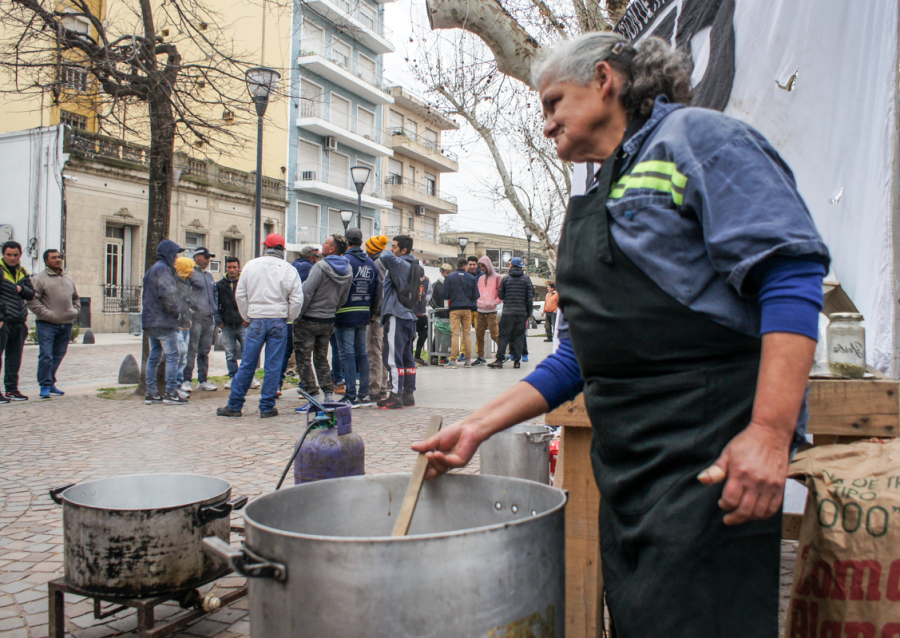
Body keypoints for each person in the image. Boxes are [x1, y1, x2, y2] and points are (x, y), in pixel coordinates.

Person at [413, 33, 830, 638]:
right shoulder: (602, 185)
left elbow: (790, 274)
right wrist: (477, 426)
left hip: (707, 454)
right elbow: (579, 354)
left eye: (555, 101)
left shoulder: (701, 141)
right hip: (630, 467)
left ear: (605, 79)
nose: (548, 121)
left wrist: (768, 433)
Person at [217, 233, 303, 418]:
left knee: (247, 363)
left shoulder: (251, 265)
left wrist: (247, 315)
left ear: (265, 247)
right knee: (273, 365)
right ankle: (266, 406)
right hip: (278, 320)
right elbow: (297, 299)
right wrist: (288, 317)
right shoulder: (288, 269)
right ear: (282, 250)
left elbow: (240, 294)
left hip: (256, 319)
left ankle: (234, 404)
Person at [294, 234, 352, 404]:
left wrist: (298, 315)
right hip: (328, 319)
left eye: (325, 243)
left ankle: (313, 394)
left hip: (309, 318)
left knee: (303, 358)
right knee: (321, 358)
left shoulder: (320, 267)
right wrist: (332, 310)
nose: (322, 245)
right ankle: (328, 393)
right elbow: (343, 297)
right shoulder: (348, 270)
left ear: (332, 249)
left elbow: (307, 292)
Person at [334, 228, 381, 408]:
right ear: (361, 243)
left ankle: (351, 395)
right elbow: (377, 291)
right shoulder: (371, 263)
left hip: (345, 312)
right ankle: (364, 394)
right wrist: (372, 312)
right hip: (364, 313)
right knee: (362, 354)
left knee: (347, 355)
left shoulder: (343, 261)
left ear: (347, 242)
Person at [142, 239, 189, 405]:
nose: (177, 258)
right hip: (164, 321)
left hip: (151, 321)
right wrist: (176, 312)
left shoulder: (152, 270)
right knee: (173, 356)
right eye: (175, 254)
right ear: (169, 254)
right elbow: (168, 295)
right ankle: (171, 393)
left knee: (154, 357)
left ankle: (152, 393)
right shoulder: (164, 270)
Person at [28, 249, 79, 399]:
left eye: (59, 257)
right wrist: (47, 314)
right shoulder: (39, 279)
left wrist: (74, 311)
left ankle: (50, 382)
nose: (58, 260)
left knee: (58, 354)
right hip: (47, 324)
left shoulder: (67, 279)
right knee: (46, 355)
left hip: (66, 324)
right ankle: (44, 384)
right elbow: (31, 300)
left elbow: (76, 298)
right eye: (53, 258)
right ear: (46, 261)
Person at [378, 235, 420, 409]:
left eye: (394, 246)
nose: (391, 249)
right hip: (409, 316)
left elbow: (385, 257)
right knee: (407, 357)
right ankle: (408, 393)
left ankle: (395, 395)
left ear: (403, 250)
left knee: (393, 358)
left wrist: (387, 251)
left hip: (397, 314)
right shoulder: (415, 266)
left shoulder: (400, 264)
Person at [215, 257, 259, 390]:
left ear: (239, 268)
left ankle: (250, 377)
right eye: (229, 267)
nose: (232, 270)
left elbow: (252, 300)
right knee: (230, 353)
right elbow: (216, 304)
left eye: (234, 267)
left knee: (248, 352)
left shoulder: (245, 283)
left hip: (243, 324)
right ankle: (233, 376)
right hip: (227, 325)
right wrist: (219, 321)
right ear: (226, 268)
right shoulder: (220, 285)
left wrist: (248, 319)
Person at [0, 241, 35, 401]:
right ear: (3, 255)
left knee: (14, 358)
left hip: (19, 321)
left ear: (20, 255)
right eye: (9, 255)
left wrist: (20, 289)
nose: (12, 258)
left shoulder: (23, 271)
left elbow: (31, 294)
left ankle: (12, 390)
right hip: (3, 321)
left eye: (15, 255)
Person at [183, 247, 218, 393]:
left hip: (208, 318)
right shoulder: (191, 274)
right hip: (195, 318)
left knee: (205, 350)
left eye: (209, 257)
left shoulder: (209, 276)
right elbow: (185, 294)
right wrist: (192, 310)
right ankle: (186, 379)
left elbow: (214, 294)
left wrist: (214, 308)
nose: (208, 260)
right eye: (205, 257)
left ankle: (203, 380)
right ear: (196, 257)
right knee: (192, 350)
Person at [489, 257, 533, 369]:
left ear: (511, 266)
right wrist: (528, 313)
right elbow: (530, 298)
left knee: (504, 336)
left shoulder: (506, 279)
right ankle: (517, 361)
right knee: (519, 337)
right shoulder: (526, 279)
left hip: (508, 313)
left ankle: (499, 360)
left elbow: (501, 295)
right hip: (521, 313)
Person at [441, 257, 479, 370]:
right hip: (467, 309)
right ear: (465, 266)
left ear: (457, 266)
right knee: (466, 334)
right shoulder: (471, 278)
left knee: (455, 334)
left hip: (454, 309)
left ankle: (453, 361)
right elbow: (476, 295)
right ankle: (468, 360)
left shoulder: (450, 277)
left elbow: (444, 295)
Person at [365, 235, 390, 400]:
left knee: (374, 350)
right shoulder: (388, 259)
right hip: (388, 312)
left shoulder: (377, 263)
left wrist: (373, 313)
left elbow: (379, 289)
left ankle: (375, 388)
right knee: (383, 349)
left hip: (379, 314)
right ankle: (383, 385)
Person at [173, 257, 196, 401]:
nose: (193, 271)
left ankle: (178, 384)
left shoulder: (186, 283)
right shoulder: (175, 283)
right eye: (190, 268)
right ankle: (175, 386)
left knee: (183, 357)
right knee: (179, 356)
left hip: (186, 324)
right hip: (177, 325)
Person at [473, 256, 501, 366]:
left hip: (492, 311)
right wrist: (478, 302)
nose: (481, 268)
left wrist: (495, 302)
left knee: (495, 335)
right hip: (480, 310)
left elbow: (501, 293)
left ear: (488, 265)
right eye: (480, 266)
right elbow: (477, 292)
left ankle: (502, 353)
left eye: (483, 266)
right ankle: (481, 356)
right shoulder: (480, 279)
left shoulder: (498, 277)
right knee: (479, 335)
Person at [413, 271, 432, 367]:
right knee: (411, 336)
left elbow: (429, 292)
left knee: (424, 334)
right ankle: (409, 357)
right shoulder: (410, 279)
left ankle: (417, 356)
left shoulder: (427, 281)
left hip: (422, 312)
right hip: (411, 313)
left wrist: (427, 299)